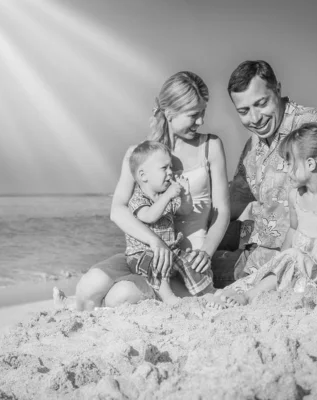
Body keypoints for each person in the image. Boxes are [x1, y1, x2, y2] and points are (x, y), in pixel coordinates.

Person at [74, 71, 231, 310]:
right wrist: (154, 242)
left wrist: (207, 253)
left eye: (203, 113)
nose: (200, 121)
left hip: (187, 260)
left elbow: (221, 211)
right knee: (88, 286)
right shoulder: (139, 155)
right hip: (145, 252)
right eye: (193, 115)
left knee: (121, 296)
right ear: (169, 114)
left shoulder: (211, 146)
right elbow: (118, 210)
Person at [207, 123, 317, 308]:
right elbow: (293, 231)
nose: (286, 170)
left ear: (310, 164)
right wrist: (278, 261)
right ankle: (237, 292)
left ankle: (249, 297)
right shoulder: (295, 196)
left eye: (289, 163)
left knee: (292, 258)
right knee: (275, 266)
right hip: (297, 267)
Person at [219, 60, 317, 286]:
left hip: (295, 260)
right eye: (244, 111)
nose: (255, 118)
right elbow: (234, 202)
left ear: (277, 90)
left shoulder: (310, 128)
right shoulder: (253, 146)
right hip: (255, 243)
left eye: (261, 103)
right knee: (192, 256)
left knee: (194, 275)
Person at [125, 140, 214, 305]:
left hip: (169, 251)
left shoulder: (164, 195)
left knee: (190, 262)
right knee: (156, 263)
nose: (170, 172)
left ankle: (205, 291)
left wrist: (186, 194)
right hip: (142, 255)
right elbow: (149, 216)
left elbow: (184, 210)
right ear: (143, 175)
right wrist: (168, 196)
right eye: (164, 168)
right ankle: (168, 298)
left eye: (171, 167)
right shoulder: (138, 198)